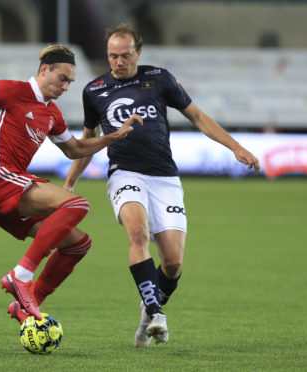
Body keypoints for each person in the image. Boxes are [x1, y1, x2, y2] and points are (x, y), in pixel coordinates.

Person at [63, 23, 261, 347]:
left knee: (172, 263)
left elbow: (197, 116)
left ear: (138, 53)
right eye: (112, 56)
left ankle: (147, 309)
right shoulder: (94, 90)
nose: (118, 62)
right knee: (137, 233)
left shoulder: (159, 78)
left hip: (165, 178)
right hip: (124, 174)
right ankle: (156, 313)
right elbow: (88, 140)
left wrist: (235, 146)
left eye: (125, 55)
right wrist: (70, 182)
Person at [0, 45, 136, 322]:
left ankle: (29, 303)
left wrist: (112, 138)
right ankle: (20, 275)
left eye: (70, 82)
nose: (66, 86)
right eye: (62, 78)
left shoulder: (51, 113)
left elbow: (74, 149)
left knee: (78, 243)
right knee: (77, 205)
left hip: (8, 194)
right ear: (44, 70)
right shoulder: (10, 90)